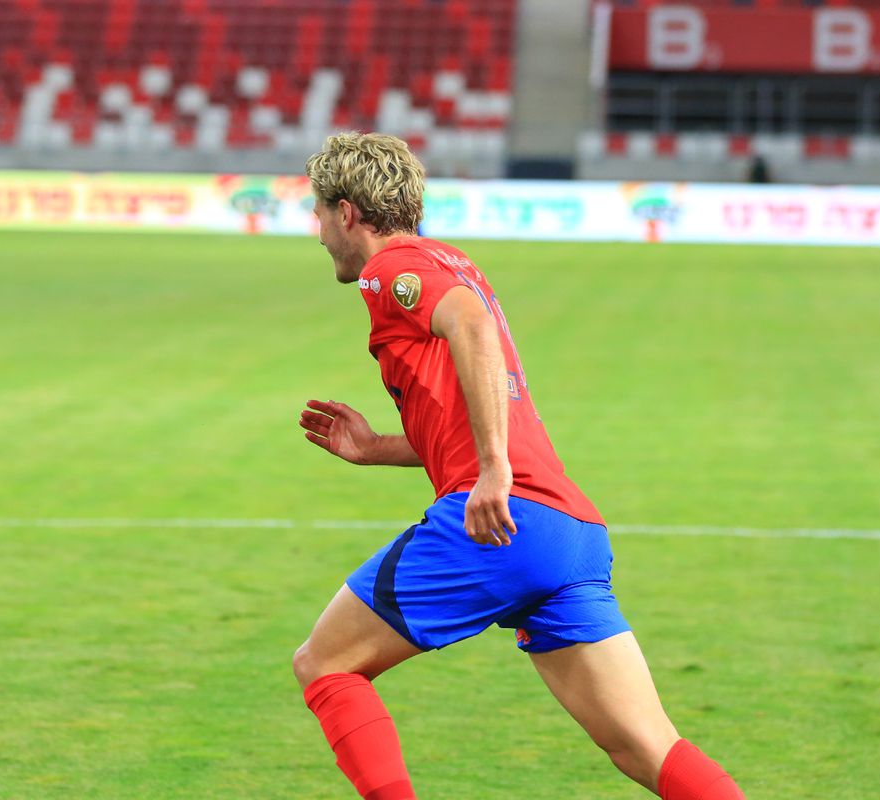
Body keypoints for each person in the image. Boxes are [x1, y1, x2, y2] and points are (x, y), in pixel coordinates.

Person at [294, 132, 745, 800]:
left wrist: (494, 474)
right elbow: (468, 412)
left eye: (320, 214)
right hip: (567, 530)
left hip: (502, 523)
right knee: (644, 747)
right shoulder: (449, 259)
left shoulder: (391, 270)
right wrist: (378, 447)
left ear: (348, 212)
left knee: (325, 664)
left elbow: (473, 329)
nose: (318, 232)